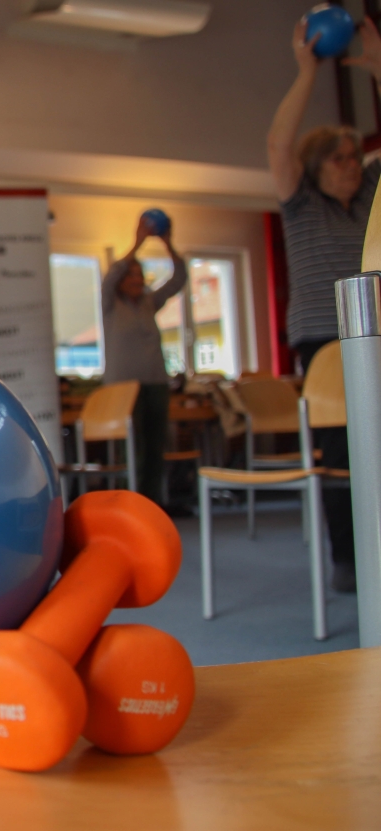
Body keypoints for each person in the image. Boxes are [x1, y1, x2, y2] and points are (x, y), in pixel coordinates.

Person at [265, 18, 381, 592]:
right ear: (316, 167)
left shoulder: (369, 196)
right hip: (325, 341)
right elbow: (279, 144)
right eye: (337, 157)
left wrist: (379, 66)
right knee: (342, 454)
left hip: (375, 336)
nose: (350, 163)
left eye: (355, 155)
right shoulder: (301, 202)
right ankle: (351, 562)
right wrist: (308, 71)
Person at [101, 216, 188, 510]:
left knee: (154, 450)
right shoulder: (110, 304)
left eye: (141, 275)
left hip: (155, 385)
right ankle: (130, 506)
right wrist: (137, 243)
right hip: (123, 388)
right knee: (132, 450)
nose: (137, 280)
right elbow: (112, 273)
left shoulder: (150, 302)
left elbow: (179, 278)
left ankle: (152, 507)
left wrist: (166, 243)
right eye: (132, 275)